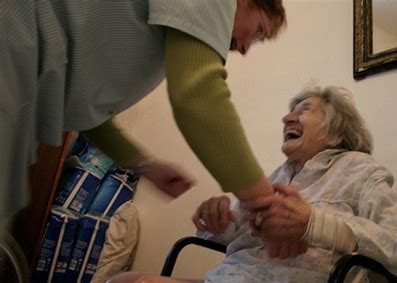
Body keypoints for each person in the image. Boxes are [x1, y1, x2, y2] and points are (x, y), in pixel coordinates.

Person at [98, 85, 397, 283]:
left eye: (304, 110)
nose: (287, 118)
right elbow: (238, 233)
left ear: (336, 129)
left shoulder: (359, 170)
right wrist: (218, 221)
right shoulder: (278, 176)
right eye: (289, 111)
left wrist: (316, 224)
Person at [0, 0, 286, 220]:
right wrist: (265, 202)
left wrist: (145, 166)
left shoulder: (167, 35)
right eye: (259, 32)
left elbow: (88, 107)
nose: (247, 49)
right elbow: (197, 97)